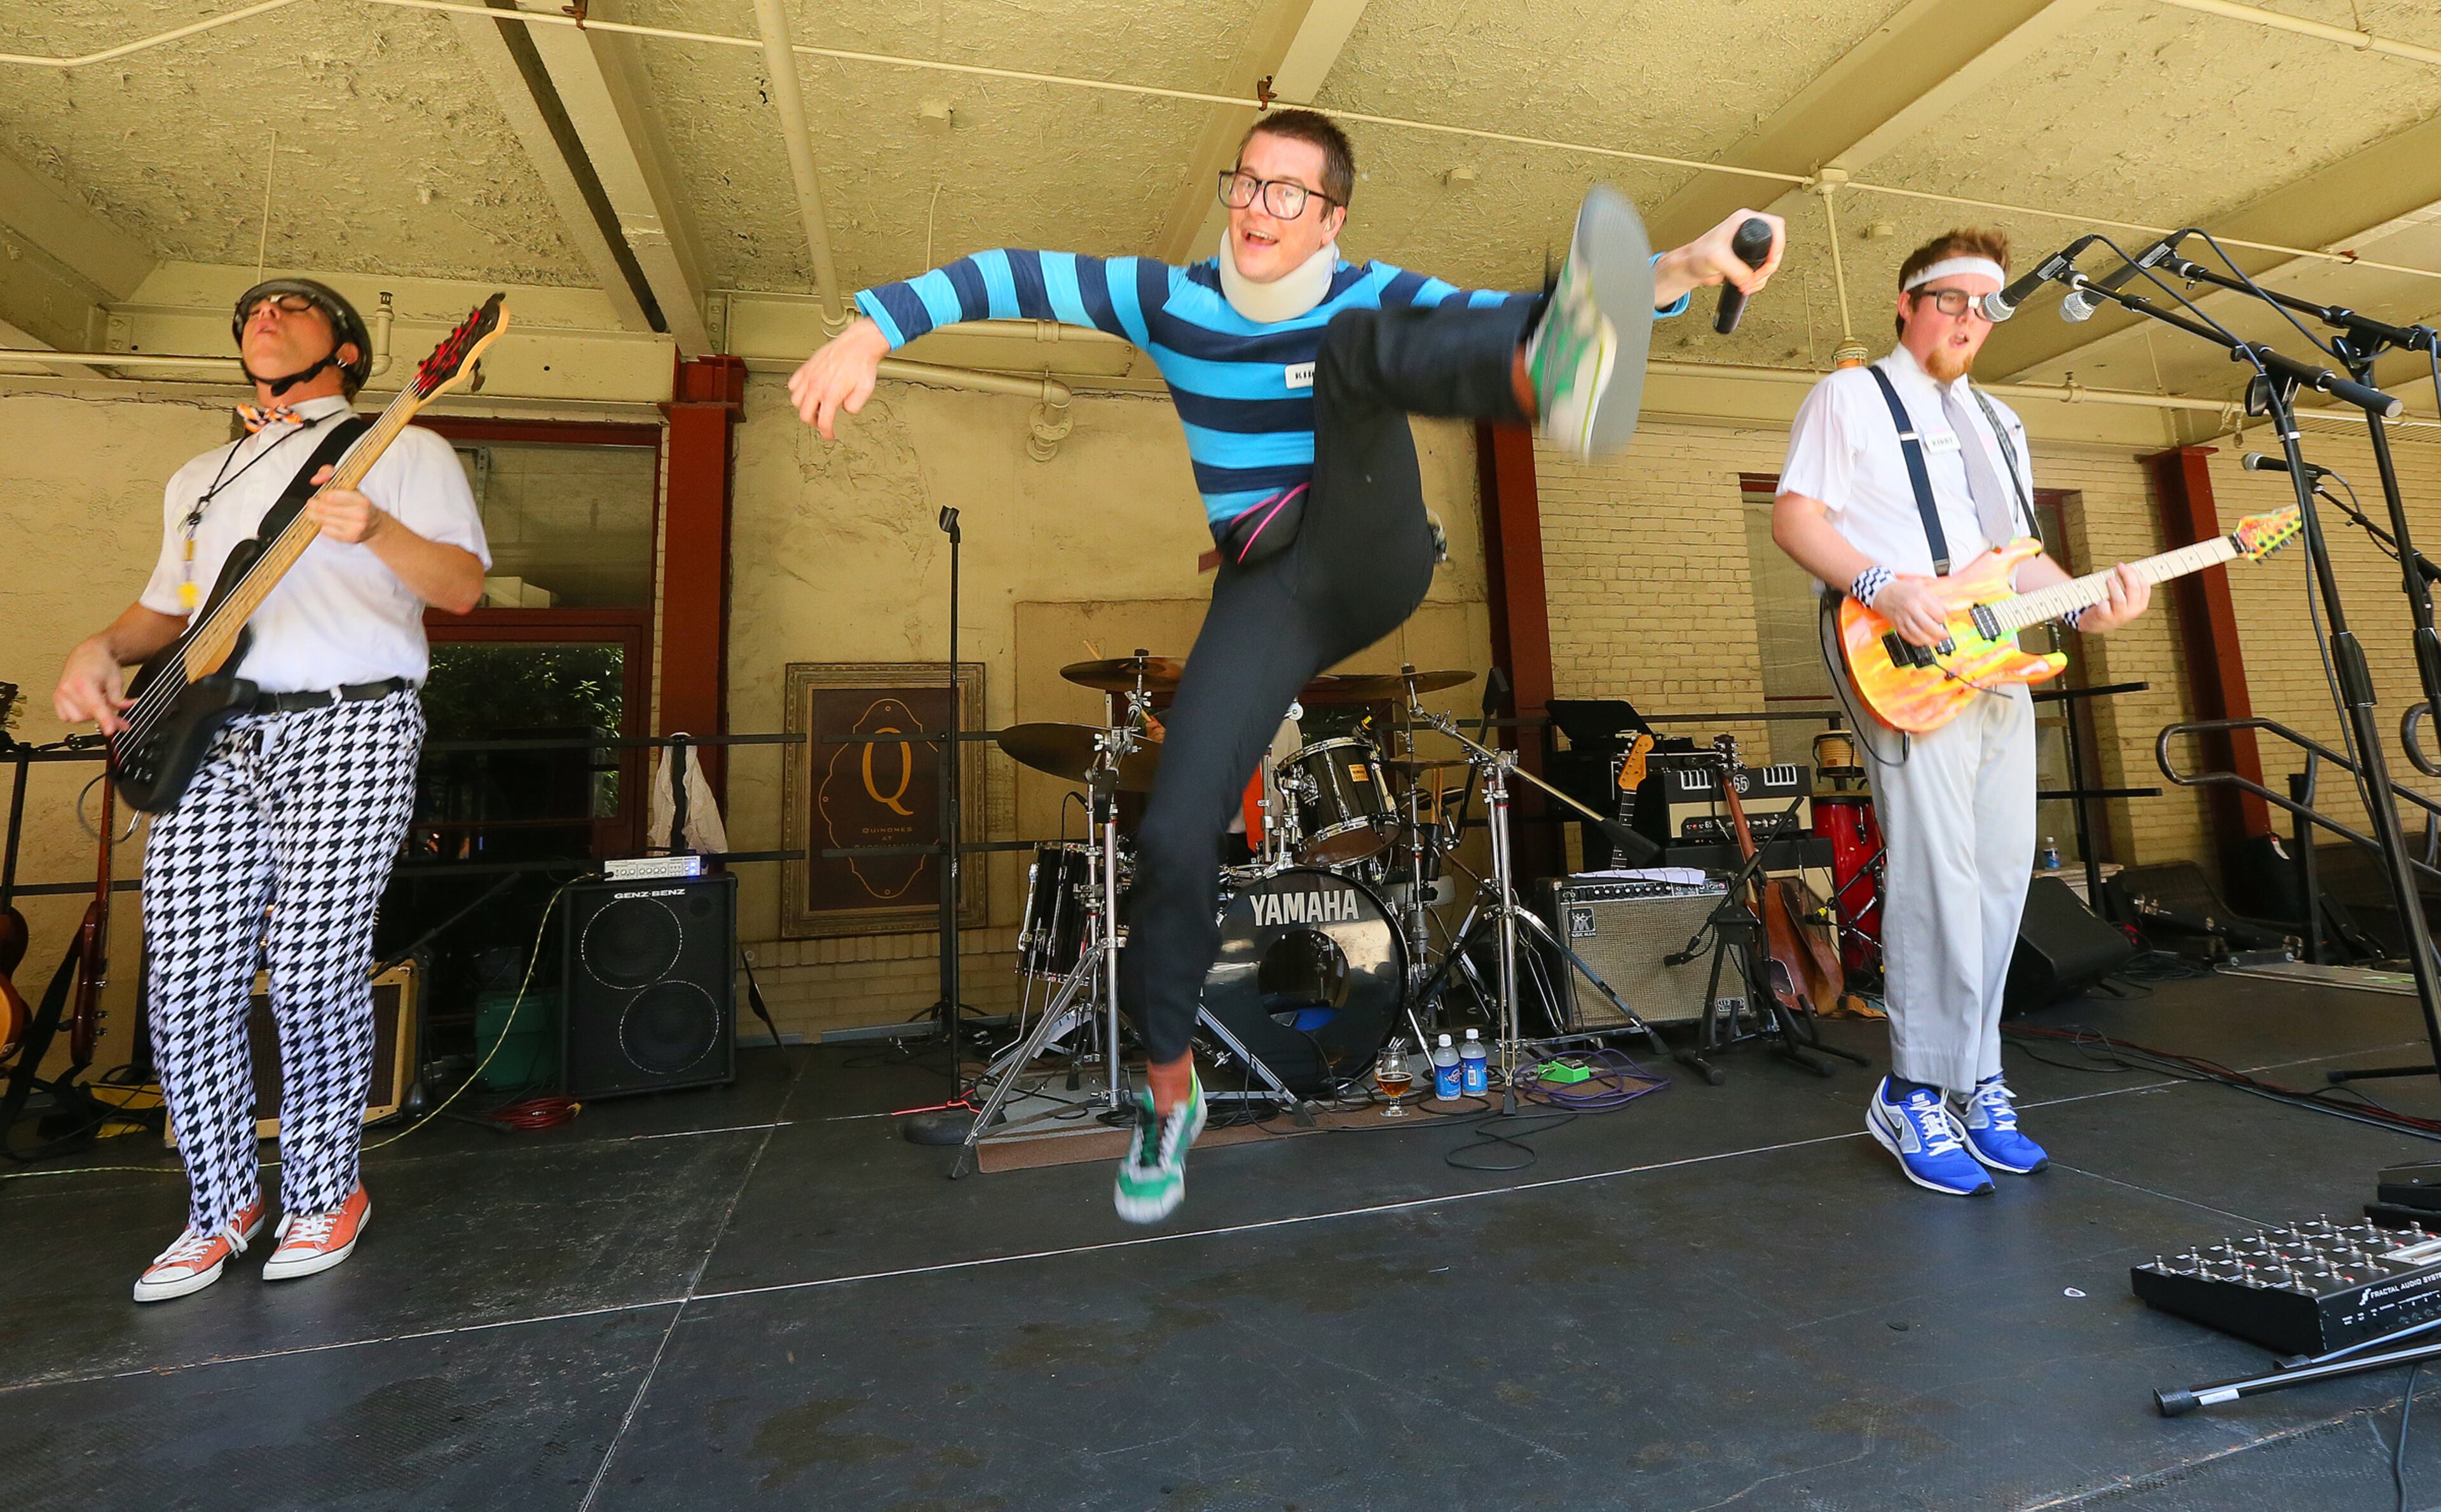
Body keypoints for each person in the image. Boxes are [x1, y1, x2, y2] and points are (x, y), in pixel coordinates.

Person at [792, 108, 1783, 1223]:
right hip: (1272, 587)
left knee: (1363, 348)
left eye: (1288, 194)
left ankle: (1549, 385)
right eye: (1246, 185)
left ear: (1332, 220)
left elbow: (1521, 314)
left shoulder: (1368, 292)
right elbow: (1013, 276)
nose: (1259, 211)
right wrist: (873, 328)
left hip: (1371, 547)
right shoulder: (1170, 302)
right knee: (1171, 833)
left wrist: (1681, 270)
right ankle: (1172, 1094)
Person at [53, 278, 489, 1298]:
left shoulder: (403, 447)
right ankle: (220, 1206)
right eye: (253, 306)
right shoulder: (201, 476)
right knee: (186, 980)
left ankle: (326, 1190)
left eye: (296, 305)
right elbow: (170, 612)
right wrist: (101, 646)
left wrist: (375, 529)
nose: (266, 313)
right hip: (212, 733)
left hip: (351, 718)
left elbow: (464, 588)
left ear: (346, 350)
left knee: (309, 967)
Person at [1770, 229, 2151, 1197]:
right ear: (1907, 301)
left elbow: (2016, 556)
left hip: (1995, 666)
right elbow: (1798, 515)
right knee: (1937, 878)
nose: (1970, 320)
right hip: (1898, 655)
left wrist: (2090, 597)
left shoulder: (2002, 422)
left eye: (1987, 306)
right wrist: (1881, 582)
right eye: (1951, 300)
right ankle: (1912, 1089)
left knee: (1995, 881)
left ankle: (1977, 1081)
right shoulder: (1850, 395)